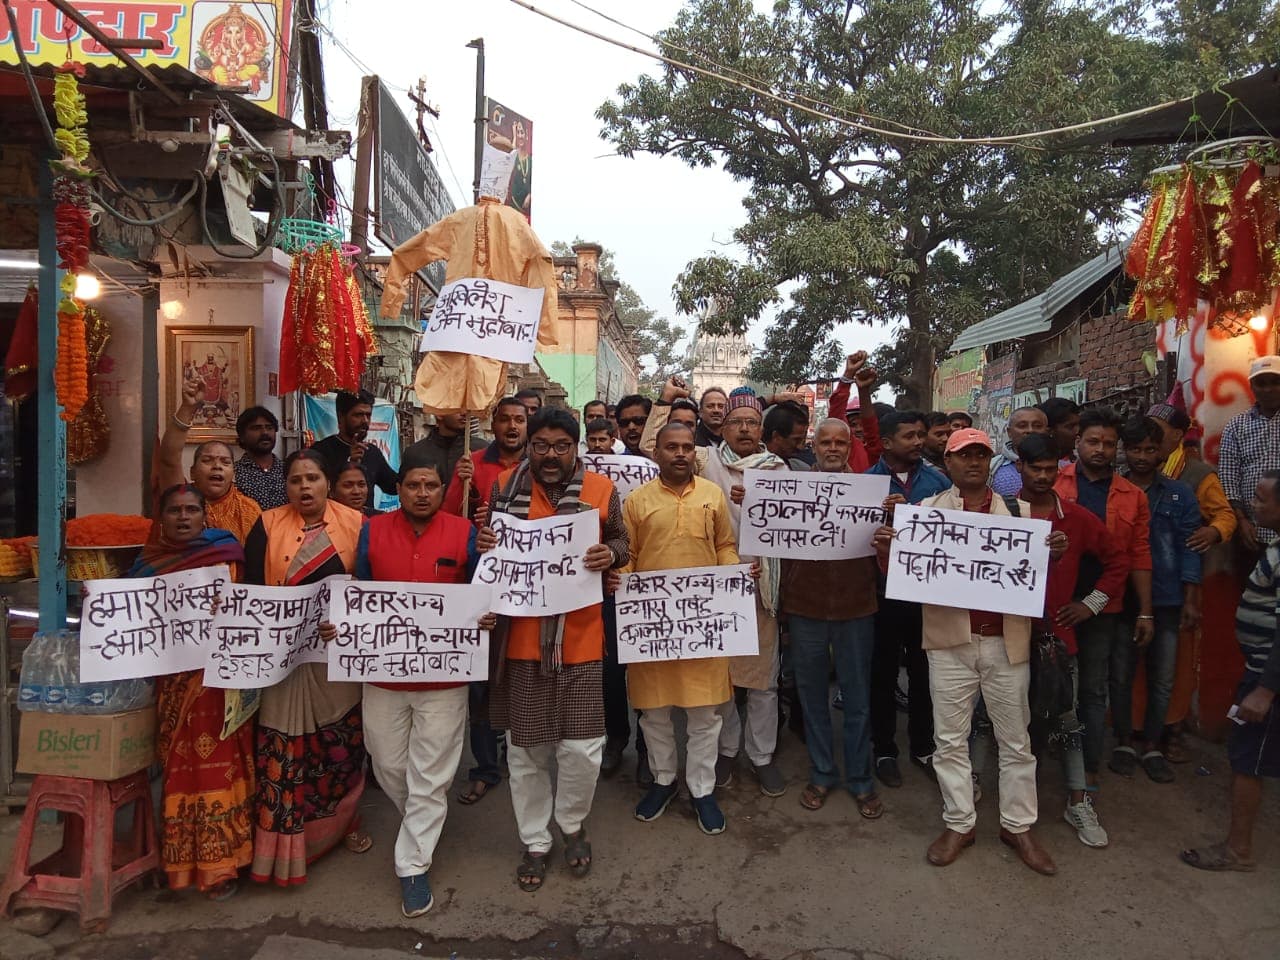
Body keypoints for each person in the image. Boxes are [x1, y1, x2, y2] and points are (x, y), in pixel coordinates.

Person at [875, 428, 1064, 875]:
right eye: (964, 456)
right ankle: (960, 821)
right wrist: (889, 548)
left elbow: (1034, 574)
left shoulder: (1020, 512)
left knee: (1016, 739)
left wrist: (1053, 552)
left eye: (982, 455)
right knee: (949, 739)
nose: (974, 463)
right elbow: (902, 575)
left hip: (1005, 643)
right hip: (949, 643)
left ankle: (1018, 824)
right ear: (950, 462)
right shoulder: (925, 513)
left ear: (991, 462)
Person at [483, 408, 628, 892]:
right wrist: (482, 542)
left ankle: (571, 823)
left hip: (582, 640)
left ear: (576, 447)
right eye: (540, 445)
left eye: (561, 446)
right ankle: (535, 840)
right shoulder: (502, 487)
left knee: (583, 749)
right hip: (520, 641)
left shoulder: (601, 491)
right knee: (526, 751)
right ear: (528, 445)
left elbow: (623, 542)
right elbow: (486, 553)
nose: (550, 455)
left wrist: (611, 555)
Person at [355, 458, 498, 917]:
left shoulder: (465, 534)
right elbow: (358, 590)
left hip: (444, 677)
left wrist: (486, 613)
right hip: (383, 673)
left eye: (431, 486)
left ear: (442, 490)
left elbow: (486, 588)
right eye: (413, 485)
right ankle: (425, 816)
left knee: (431, 773)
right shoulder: (372, 531)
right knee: (388, 764)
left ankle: (412, 865)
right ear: (398, 488)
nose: (421, 492)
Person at [245, 449, 371, 886]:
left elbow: (371, 590)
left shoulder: (357, 525)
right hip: (284, 662)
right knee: (284, 751)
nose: (304, 487)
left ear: (327, 483)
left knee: (340, 746)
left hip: (337, 663)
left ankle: (344, 826)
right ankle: (283, 846)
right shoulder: (266, 524)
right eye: (295, 479)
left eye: (313, 478)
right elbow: (253, 590)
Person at [624, 422, 749, 834]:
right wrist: (620, 579)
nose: (680, 453)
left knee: (704, 716)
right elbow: (629, 555)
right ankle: (663, 780)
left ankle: (701, 788)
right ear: (656, 453)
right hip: (652, 627)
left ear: (696, 453)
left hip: (703, 623)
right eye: (671, 447)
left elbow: (725, 546)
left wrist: (735, 574)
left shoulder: (712, 496)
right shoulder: (637, 501)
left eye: (687, 447)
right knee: (654, 714)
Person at [133, 484, 252, 898]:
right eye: (174, 511)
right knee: (179, 769)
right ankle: (182, 862)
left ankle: (224, 864)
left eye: (191, 510)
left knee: (223, 765)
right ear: (161, 517)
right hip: (173, 686)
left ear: (206, 516)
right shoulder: (146, 565)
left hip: (220, 684)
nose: (183, 518)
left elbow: (250, 606)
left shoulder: (226, 553)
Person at [1014, 435, 1127, 848]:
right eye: (1035, 469)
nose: (1043, 477)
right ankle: (978, 787)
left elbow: (1118, 560)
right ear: (1020, 467)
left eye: (1049, 469)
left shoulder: (1077, 519)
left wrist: (1090, 604)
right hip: (1008, 636)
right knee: (994, 719)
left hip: (1058, 639)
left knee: (1068, 720)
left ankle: (1077, 799)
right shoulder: (1002, 514)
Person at [1180, 470, 1280, 873]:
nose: (1252, 506)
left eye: (1260, 499)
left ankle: (1238, 850)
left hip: (1266, 679)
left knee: (1247, 760)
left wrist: (1265, 690)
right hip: (1261, 670)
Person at [784, 419, 882, 817]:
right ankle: (822, 771)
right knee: (811, 696)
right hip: (805, 605)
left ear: (850, 446)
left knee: (857, 698)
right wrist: (752, 504)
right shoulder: (791, 490)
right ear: (815, 445)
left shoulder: (870, 492)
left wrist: (888, 519)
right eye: (825, 441)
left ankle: (860, 778)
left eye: (841, 442)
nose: (833, 448)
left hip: (856, 606)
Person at [1055, 407, 1153, 793]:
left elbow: (1138, 555)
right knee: (1052, 687)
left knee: (1095, 690)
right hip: (1054, 604)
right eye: (1093, 441)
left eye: (1109, 444)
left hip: (1103, 606)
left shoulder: (1133, 497)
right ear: (1077, 442)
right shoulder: (1053, 482)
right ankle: (1048, 761)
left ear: (1119, 450)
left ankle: (1088, 769)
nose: (1100, 449)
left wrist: (1144, 610)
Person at [443, 396, 528, 804]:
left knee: (522, 674)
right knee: (480, 681)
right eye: (505, 419)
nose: (512, 426)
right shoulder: (471, 464)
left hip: (530, 590)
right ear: (492, 425)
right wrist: (462, 493)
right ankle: (484, 766)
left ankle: (524, 755)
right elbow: (450, 524)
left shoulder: (544, 466)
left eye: (519, 420)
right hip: (481, 585)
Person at [705, 389, 788, 796]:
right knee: (720, 677)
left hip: (761, 589)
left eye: (751, 422)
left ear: (761, 429)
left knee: (762, 681)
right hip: (717, 588)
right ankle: (726, 750)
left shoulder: (778, 470)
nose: (743, 428)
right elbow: (656, 450)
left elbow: (793, 530)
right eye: (735, 421)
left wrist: (760, 501)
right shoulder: (706, 463)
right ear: (722, 427)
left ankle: (762, 756)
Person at [1146, 401, 1236, 761]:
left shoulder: (1198, 475)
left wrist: (1213, 532)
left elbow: (1225, 514)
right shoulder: (1138, 469)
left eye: (1158, 430)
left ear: (1178, 436)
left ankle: (1173, 729)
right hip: (1142, 579)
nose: (1151, 437)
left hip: (1181, 581)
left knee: (1178, 664)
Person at [865, 411, 951, 787]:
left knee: (923, 672)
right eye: (909, 436)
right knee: (881, 673)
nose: (918, 442)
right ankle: (883, 748)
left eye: (921, 435)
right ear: (886, 442)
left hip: (926, 596)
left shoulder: (939, 482)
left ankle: (923, 745)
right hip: (881, 594)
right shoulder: (865, 485)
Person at [1117, 416, 1202, 783]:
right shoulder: (1114, 490)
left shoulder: (1180, 494)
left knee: (1163, 677)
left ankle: (1152, 745)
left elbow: (1190, 549)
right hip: (1120, 597)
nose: (1142, 456)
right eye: (1134, 449)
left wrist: (1191, 598)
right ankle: (1122, 742)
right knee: (1119, 674)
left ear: (1161, 452)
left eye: (1150, 449)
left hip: (1167, 598)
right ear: (1125, 451)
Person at [159, 380, 262, 542]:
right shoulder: (181, 498)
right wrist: (187, 408)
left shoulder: (248, 510)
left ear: (233, 473)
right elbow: (168, 459)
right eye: (207, 460)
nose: (217, 466)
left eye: (225, 462)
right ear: (192, 472)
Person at [1218, 356, 1280, 580]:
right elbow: (1228, 476)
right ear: (1251, 386)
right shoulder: (1237, 426)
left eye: (1275, 382)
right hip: (1251, 533)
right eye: (1261, 383)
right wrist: (1241, 521)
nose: (1268, 389)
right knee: (1254, 596)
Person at [310, 390, 397, 510]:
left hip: (365, 525)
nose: (365, 421)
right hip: (332, 525)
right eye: (358, 415)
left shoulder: (371, 452)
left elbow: (393, 486)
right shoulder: (320, 452)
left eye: (368, 415)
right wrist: (349, 461)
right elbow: (313, 493)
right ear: (341, 417)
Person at [826, 352, 884, 471]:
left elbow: (872, 433)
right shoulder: (847, 448)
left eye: (863, 425)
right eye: (853, 424)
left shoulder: (879, 454)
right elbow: (836, 418)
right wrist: (848, 375)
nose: (858, 429)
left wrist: (863, 390)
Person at [402, 412, 486, 486]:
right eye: (456, 408)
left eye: (466, 408)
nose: (464, 413)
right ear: (439, 414)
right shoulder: (415, 453)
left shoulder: (482, 450)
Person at [233, 406, 287, 510]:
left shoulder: (288, 470)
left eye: (269, 427)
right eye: (256, 428)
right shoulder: (233, 473)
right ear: (242, 437)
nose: (265, 433)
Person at [988, 406, 1049, 496]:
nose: (1030, 430)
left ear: (1047, 431)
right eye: (1022, 426)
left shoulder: (1061, 468)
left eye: (1037, 426)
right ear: (1009, 432)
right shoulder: (992, 467)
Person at [763, 403, 811, 471]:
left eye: (802, 440)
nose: (800, 447)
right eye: (796, 440)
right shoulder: (747, 466)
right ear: (776, 436)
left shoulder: (801, 470)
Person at [1038, 397, 1081, 465]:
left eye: (1079, 425)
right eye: (1070, 427)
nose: (1078, 431)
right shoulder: (1036, 464)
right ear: (1049, 431)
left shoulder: (1084, 461)